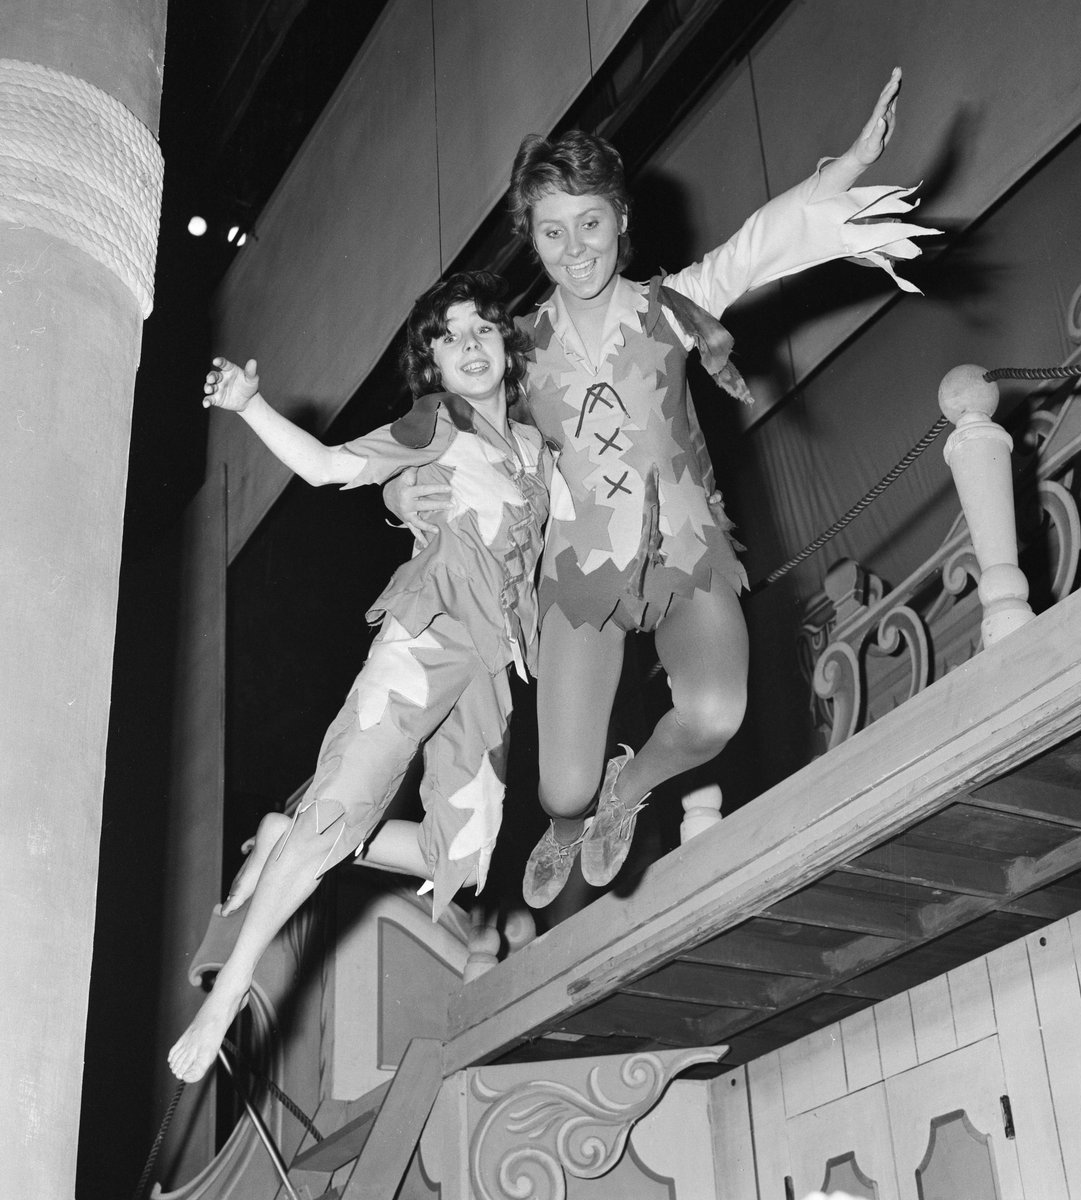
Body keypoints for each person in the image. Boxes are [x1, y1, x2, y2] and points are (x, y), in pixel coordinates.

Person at [387, 69, 939, 909]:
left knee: (716, 713)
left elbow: (763, 241)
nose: (576, 250)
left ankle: (630, 787)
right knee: (558, 791)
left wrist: (844, 168)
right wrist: (400, 499)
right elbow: (439, 439)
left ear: (622, 221)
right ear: (530, 242)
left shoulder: (672, 307)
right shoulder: (518, 347)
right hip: (579, 577)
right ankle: (577, 815)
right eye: (551, 233)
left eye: (591, 224)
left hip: (685, 555)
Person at [168, 270, 551, 1083]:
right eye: (450, 337)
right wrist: (248, 407)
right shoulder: (436, 426)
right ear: (435, 365)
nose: (471, 345)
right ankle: (229, 991)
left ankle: (291, 836)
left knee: (467, 859)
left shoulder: (539, 453)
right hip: (426, 640)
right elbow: (328, 469)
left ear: (505, 347)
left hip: (491, 669)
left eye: (483, 328)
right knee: (342, 804)